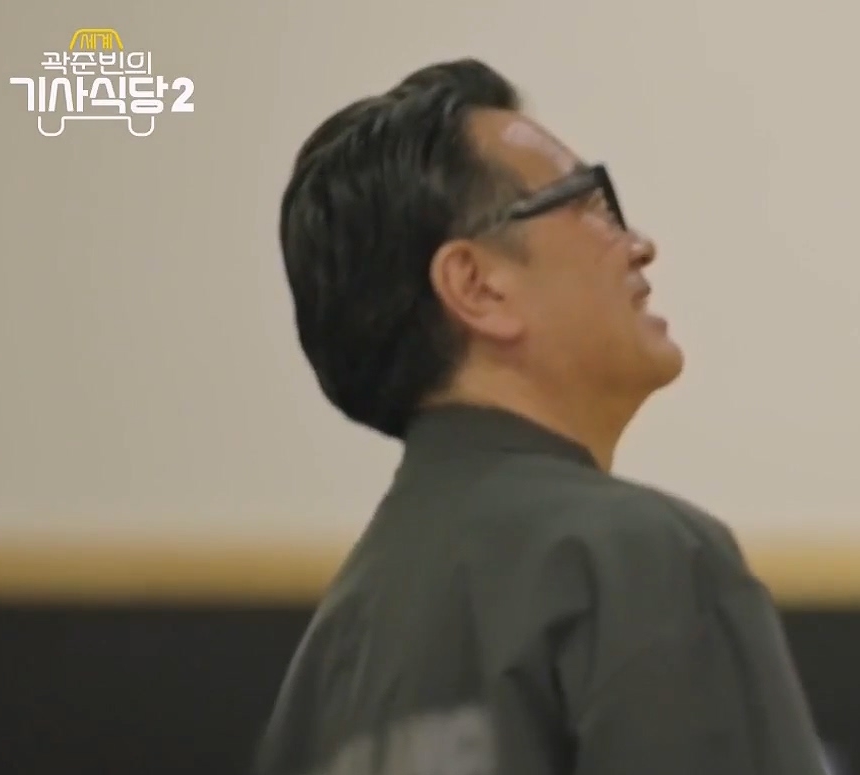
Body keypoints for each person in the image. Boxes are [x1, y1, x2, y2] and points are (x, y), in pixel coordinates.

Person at [254, 59, 829, 775]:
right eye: (587, 202)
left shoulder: (328, 659)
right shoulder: (639, 560)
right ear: (477, 286)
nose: (638, 243)